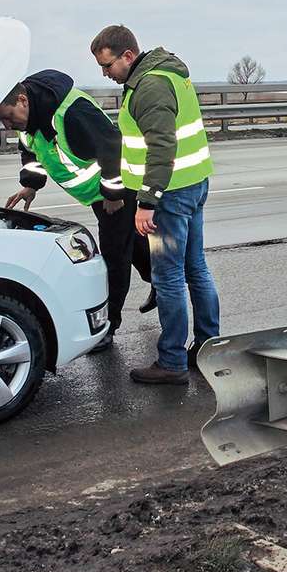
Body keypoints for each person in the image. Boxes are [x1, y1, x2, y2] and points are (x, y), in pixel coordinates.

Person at [90, 25, 219, 385]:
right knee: (196, 269)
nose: (106, 74)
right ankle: (209, 347)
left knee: (168, 277)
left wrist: (146, 202)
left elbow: (162, 147)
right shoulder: (168, 75)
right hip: (192, 186)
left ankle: (172, 361)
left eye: (108, 65)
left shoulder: (149, 86)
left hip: (169, 198)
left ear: (128, 56)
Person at [0, 70, 152, 351]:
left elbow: (113, 147)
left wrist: (113, 193)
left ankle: (109, 326)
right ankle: (161, 283)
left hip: (115, 190)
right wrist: (30, 185)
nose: (7, 126)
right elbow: (31, 151)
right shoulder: (29, 121)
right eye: (2, 121)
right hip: (96, 194)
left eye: (8, 117)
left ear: (22, 100)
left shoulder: (72, 112)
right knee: (131, 242)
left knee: (114, 255)